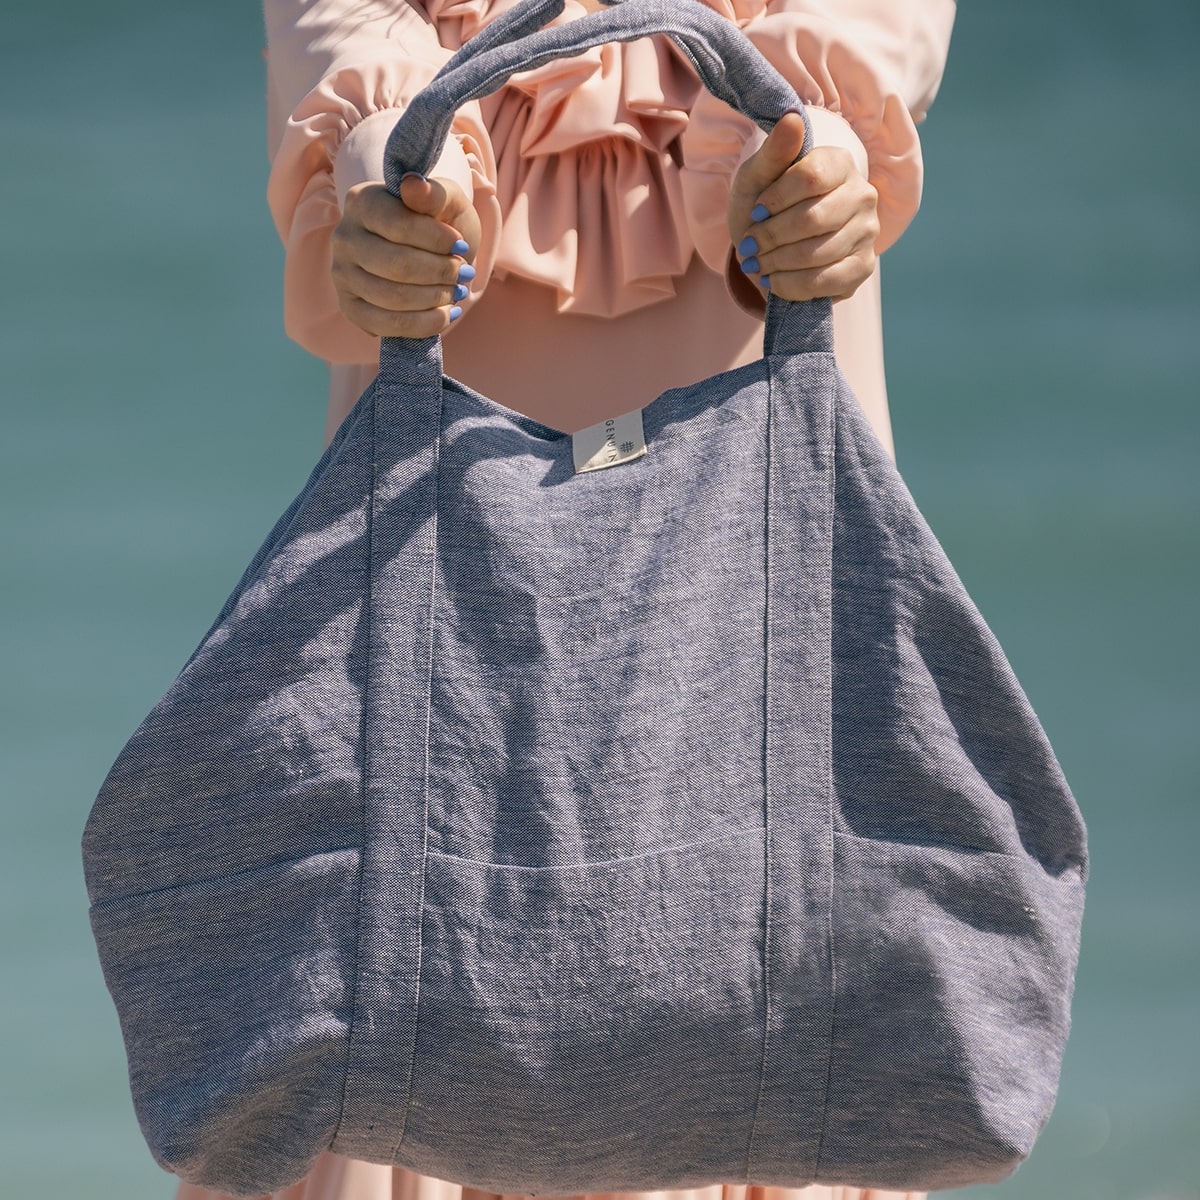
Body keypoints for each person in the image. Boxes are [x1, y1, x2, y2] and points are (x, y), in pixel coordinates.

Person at [179, 0, 955, 1197]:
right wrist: (395, 172)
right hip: (439, 679)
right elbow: (343, 35)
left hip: (754, 651)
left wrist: (814, 158)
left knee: (767, 934)